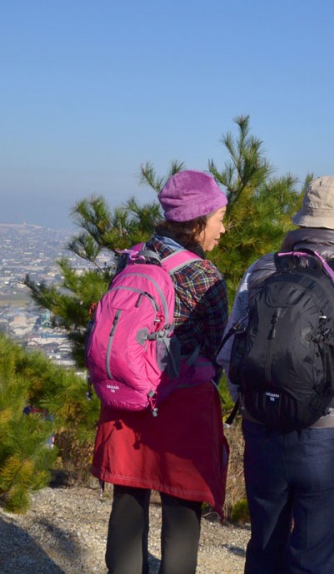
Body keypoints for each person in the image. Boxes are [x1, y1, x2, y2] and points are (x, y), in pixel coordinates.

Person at [219, 175, 334, 574]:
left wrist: (250, 406)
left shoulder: (261, 271)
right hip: (331, 439)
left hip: (263, 428)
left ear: (303, 222)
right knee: (316, 557)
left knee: (264, 546)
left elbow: (231, 354)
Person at [91, 170, 230, 574]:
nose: (224, 229)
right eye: (220, 219)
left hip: (126, 399)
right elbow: (217, 347)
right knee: (181, 512)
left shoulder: (132, 257)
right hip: (182, 405)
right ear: (198, 221)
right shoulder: (202, 276)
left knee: (128, 503)